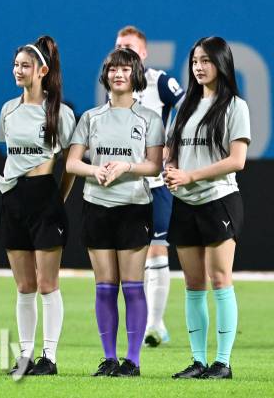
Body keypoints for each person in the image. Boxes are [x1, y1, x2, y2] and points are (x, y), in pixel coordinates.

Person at [66, 48, 163, 377]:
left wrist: (126, 167)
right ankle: (109, 358)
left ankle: (132, 360)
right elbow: (72, 163)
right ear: (105, 75)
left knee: (132, 285)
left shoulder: (149, 118)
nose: (118, 74)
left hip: (134, 207)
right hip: (97, 205)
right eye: (112, 69)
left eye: (125, 69)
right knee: (105, 285)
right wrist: (95, 171)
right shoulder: (90, 117)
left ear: (136, 75)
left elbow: (154, 165)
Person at [165, 36, 249, 380]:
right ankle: (198, 361)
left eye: (206, 61)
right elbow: (172, 149)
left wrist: (190, 175)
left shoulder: (235, 106)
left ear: (221, 63)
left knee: (220, 279)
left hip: (219, 200)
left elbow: (237, 160)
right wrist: (170, 169)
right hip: (185, 203)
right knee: (193, 284)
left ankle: (222, 362)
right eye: (195, 61)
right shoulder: (185, 104)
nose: (199, 67)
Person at [0, 36, 76, 377]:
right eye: (16, 65)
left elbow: (71, 163)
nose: (18, 70)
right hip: (13, 197)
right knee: (24, 285)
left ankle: (49, 357)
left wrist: (58, 197)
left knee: (47, 283)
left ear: (42, 71)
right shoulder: (8, 110)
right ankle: (25, 354)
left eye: (25, 66)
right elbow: (11, 154)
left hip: (44, 196)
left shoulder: (60, 112)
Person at [114, 25, 185, 347]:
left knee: (157, 248)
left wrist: (173, 144)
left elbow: (189, 107)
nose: (123, 52)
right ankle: (140, 322)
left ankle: (155, 325)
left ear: (143, 53)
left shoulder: (160, 81)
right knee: (132, 254)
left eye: (129, 47)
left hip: (155, 182)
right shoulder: (114, 86)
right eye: (119, 46)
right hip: (125, 183)